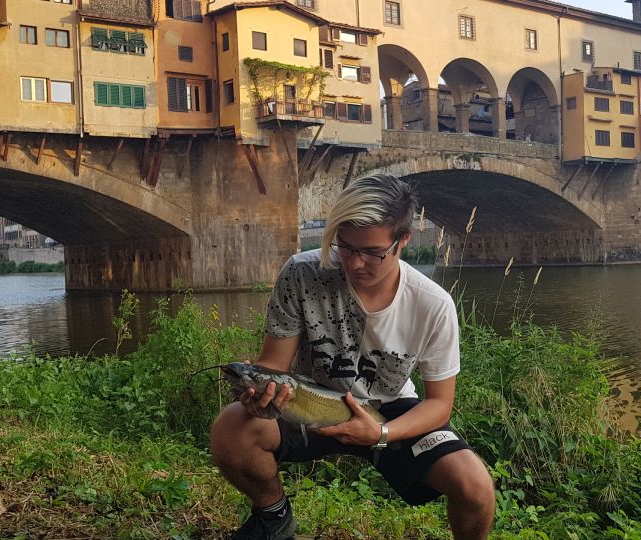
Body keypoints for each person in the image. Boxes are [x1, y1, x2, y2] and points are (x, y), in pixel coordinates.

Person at [211, 174, 495, 540]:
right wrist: (260, 394)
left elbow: (439, 405)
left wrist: (381, 432)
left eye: (372, 252)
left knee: (476, 488)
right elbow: (275, 365)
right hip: (308, 397)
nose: (355, 263)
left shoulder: (433, 304)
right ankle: (273, 518)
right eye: (344, 247)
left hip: (389, 409)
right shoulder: (301, 274)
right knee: (231, 430)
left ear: (403, 239)